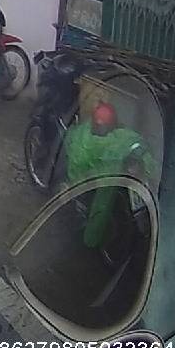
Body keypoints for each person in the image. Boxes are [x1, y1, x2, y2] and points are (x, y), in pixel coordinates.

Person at [64, 101, 155, 250]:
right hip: (106, 181)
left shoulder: (87, 139)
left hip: (103, 181)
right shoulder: (116, 138)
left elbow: (77, 163)